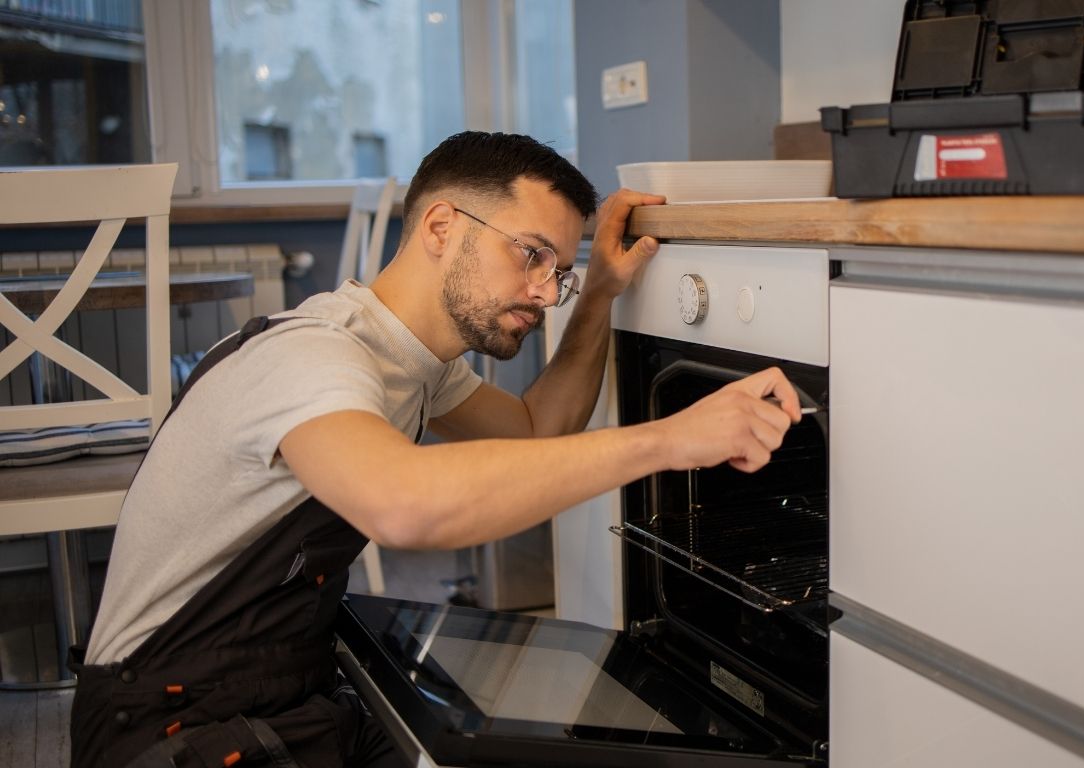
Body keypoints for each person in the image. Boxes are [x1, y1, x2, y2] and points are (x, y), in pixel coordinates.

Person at [68, 131, 803, 767]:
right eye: (532, 255)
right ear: (442, 226)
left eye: (560, 271)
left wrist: (601, 296)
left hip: (290, 694)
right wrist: (672, 439)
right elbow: (403, 504)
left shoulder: (418, 364)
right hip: (167, 728)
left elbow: (536, 429)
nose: (548, 293)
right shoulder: (312, 357)